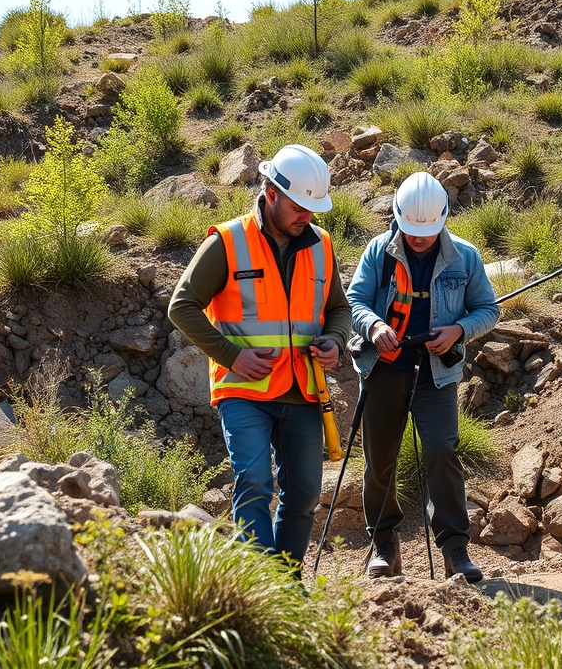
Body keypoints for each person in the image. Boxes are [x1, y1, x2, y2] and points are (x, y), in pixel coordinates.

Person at [168, 144, 351, 569]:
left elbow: (338, 309)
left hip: (302, 389)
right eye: (299, 206)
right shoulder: (228, 241)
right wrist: (231, 356)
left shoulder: (321, 244)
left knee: (304, 494)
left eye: (313, 207)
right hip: (244, 390)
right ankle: (264, 588)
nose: (307, 215)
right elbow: (182, 306)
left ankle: (285, 584)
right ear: (271, 194)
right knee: (253, 482)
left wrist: (335, 340)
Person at [347, 172, 499, 583]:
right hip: (383, 370)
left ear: (444, 219)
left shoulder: (465, 256)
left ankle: (455, 550)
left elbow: (488, 309)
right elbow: (355, 300)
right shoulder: (378, 251)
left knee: (441, 452)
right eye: (412, 231)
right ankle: (384, 546)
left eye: (427, 232)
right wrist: (375, 327)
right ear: (397, 217)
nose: (418, 239)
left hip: (437, 374)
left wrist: (459, 330)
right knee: (380, 462)